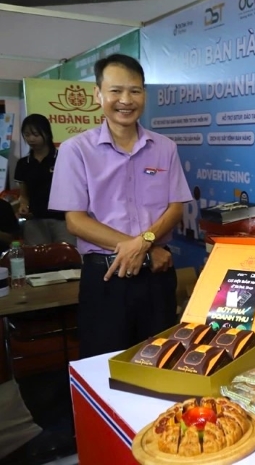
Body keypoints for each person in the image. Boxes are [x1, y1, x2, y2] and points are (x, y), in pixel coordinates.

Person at [49, 54, 192, 359]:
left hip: (156, 276)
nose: (126, 100)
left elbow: (175, 208)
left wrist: (144, 243)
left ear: (144, 95)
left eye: (135, 91)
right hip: (106, 278)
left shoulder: (165, 147)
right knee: (104, 365)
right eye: (115, 91)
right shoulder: (76, 150)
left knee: (161, 363)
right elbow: (75, 221)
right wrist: (142, 247)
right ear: (98, 94)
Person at [15, 114, 75, 246]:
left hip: (63, 219)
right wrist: (24, 206)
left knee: (67, 254)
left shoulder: (62, 158)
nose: (31, 139)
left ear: (47, 134)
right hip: (35, 220)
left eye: (36, 134)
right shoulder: (23, 163)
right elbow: (24, 195)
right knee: (37, 257)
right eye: (27, 135)